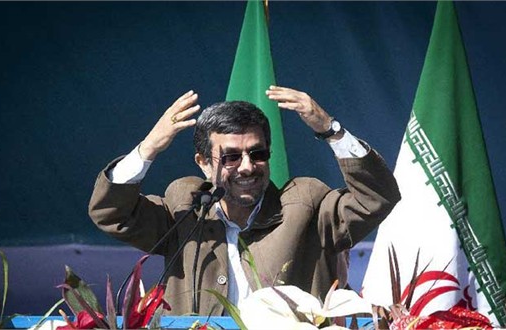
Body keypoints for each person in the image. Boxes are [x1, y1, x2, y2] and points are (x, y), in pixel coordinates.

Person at [88, 86, 401, 316]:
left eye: (257, 153)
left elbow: (377, 197)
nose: (248, 166)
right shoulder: (184, 206)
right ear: (203, 162)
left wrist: (331, 131)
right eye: (231, 157)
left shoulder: (307, 204)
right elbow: (112, 213)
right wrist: (148, 149)